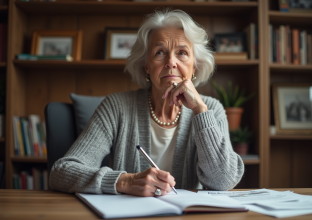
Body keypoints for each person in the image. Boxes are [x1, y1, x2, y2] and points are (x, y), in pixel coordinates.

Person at [49, 9, 244, 197]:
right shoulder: (116, 107)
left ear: (194, 66)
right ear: (147, 67)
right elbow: (61, 172)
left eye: (182, 53)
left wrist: (200, 111)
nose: (171, 62)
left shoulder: (212, 109)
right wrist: (126, 182)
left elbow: (223, 181)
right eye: (160, 52)